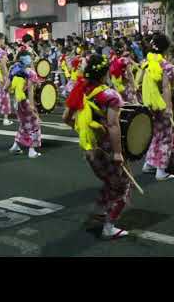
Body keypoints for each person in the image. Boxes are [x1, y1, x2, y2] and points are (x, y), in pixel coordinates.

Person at [63, 53, 130, 239]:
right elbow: (113, 125)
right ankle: (109, 226)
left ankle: (100, 211)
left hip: (89, 148)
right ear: (104, 74)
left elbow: (66, 118)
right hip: (107, 149)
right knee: (122, 186)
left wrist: (85, 131)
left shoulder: (80, 90)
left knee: (110, 182)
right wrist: (117, 153)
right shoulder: (109, 95)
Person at [140, 33, 174, 181]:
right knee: (165, 137)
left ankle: (149, 164)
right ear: (166, 49)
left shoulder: (147, 62)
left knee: (155, 134)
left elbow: (140, 82)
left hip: (149, 104)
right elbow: (166, 88)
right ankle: (161, 171)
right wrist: (169, 108)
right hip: (162, 106)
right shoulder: (167, 67)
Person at [8, 51, 42, 158]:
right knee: (34, 123)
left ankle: (15, 145)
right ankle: (32, 150)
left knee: (24, 124)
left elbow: (7, 87)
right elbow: (31, 90)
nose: (31, 59)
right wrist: (32, 106)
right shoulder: (30, 72)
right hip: (26, 101)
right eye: (30, 57)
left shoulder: (13, 69)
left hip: (16, 101)